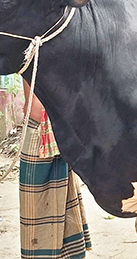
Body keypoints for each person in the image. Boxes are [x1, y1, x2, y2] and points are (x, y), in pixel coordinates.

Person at [19, 82, 92, 258]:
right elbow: (35, 110)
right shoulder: (31, 56)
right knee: (40, 205)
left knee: (61, 200)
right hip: (43, 128)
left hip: (57, 127)